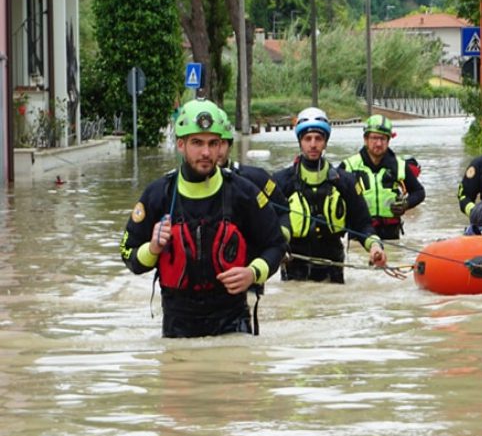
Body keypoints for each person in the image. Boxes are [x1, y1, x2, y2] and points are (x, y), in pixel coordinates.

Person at [119, 99, 287, 337]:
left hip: (232, 322)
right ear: (180, 144)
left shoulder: (244, 193)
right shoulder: (158, 195)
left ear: (221, 145)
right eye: (197, 143)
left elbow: (277, 244)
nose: (206, 152)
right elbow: (128, 254)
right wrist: (153, 248)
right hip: (178, 325)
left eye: (213, 143)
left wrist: (253, 273)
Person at [271, 107, 386, 282]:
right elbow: (265, 225)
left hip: (333, 267)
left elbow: (363, 224)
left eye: (318, 138)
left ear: (325, 142)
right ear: (300, 141)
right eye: (307, 139)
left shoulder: (346, 182)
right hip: (294, 269)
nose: (313, 144)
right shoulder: (281, 181)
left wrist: (375, 246)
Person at [339, 114, 425, 240]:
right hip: (360, 235)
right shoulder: (349, 166)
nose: (378, 143)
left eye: (383, 139)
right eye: (374, 138)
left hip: (391, 234)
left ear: (388, 140)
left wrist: (406, 204)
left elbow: (419, 192)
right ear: (365, 139)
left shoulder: (399, 165)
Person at [214, 109, 290, 242]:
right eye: (205, 143)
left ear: (230, 145)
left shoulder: (257, 177)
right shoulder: (173, 187)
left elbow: (283, 211)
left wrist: (281, 239)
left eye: (221, 143)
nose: (214, 151)